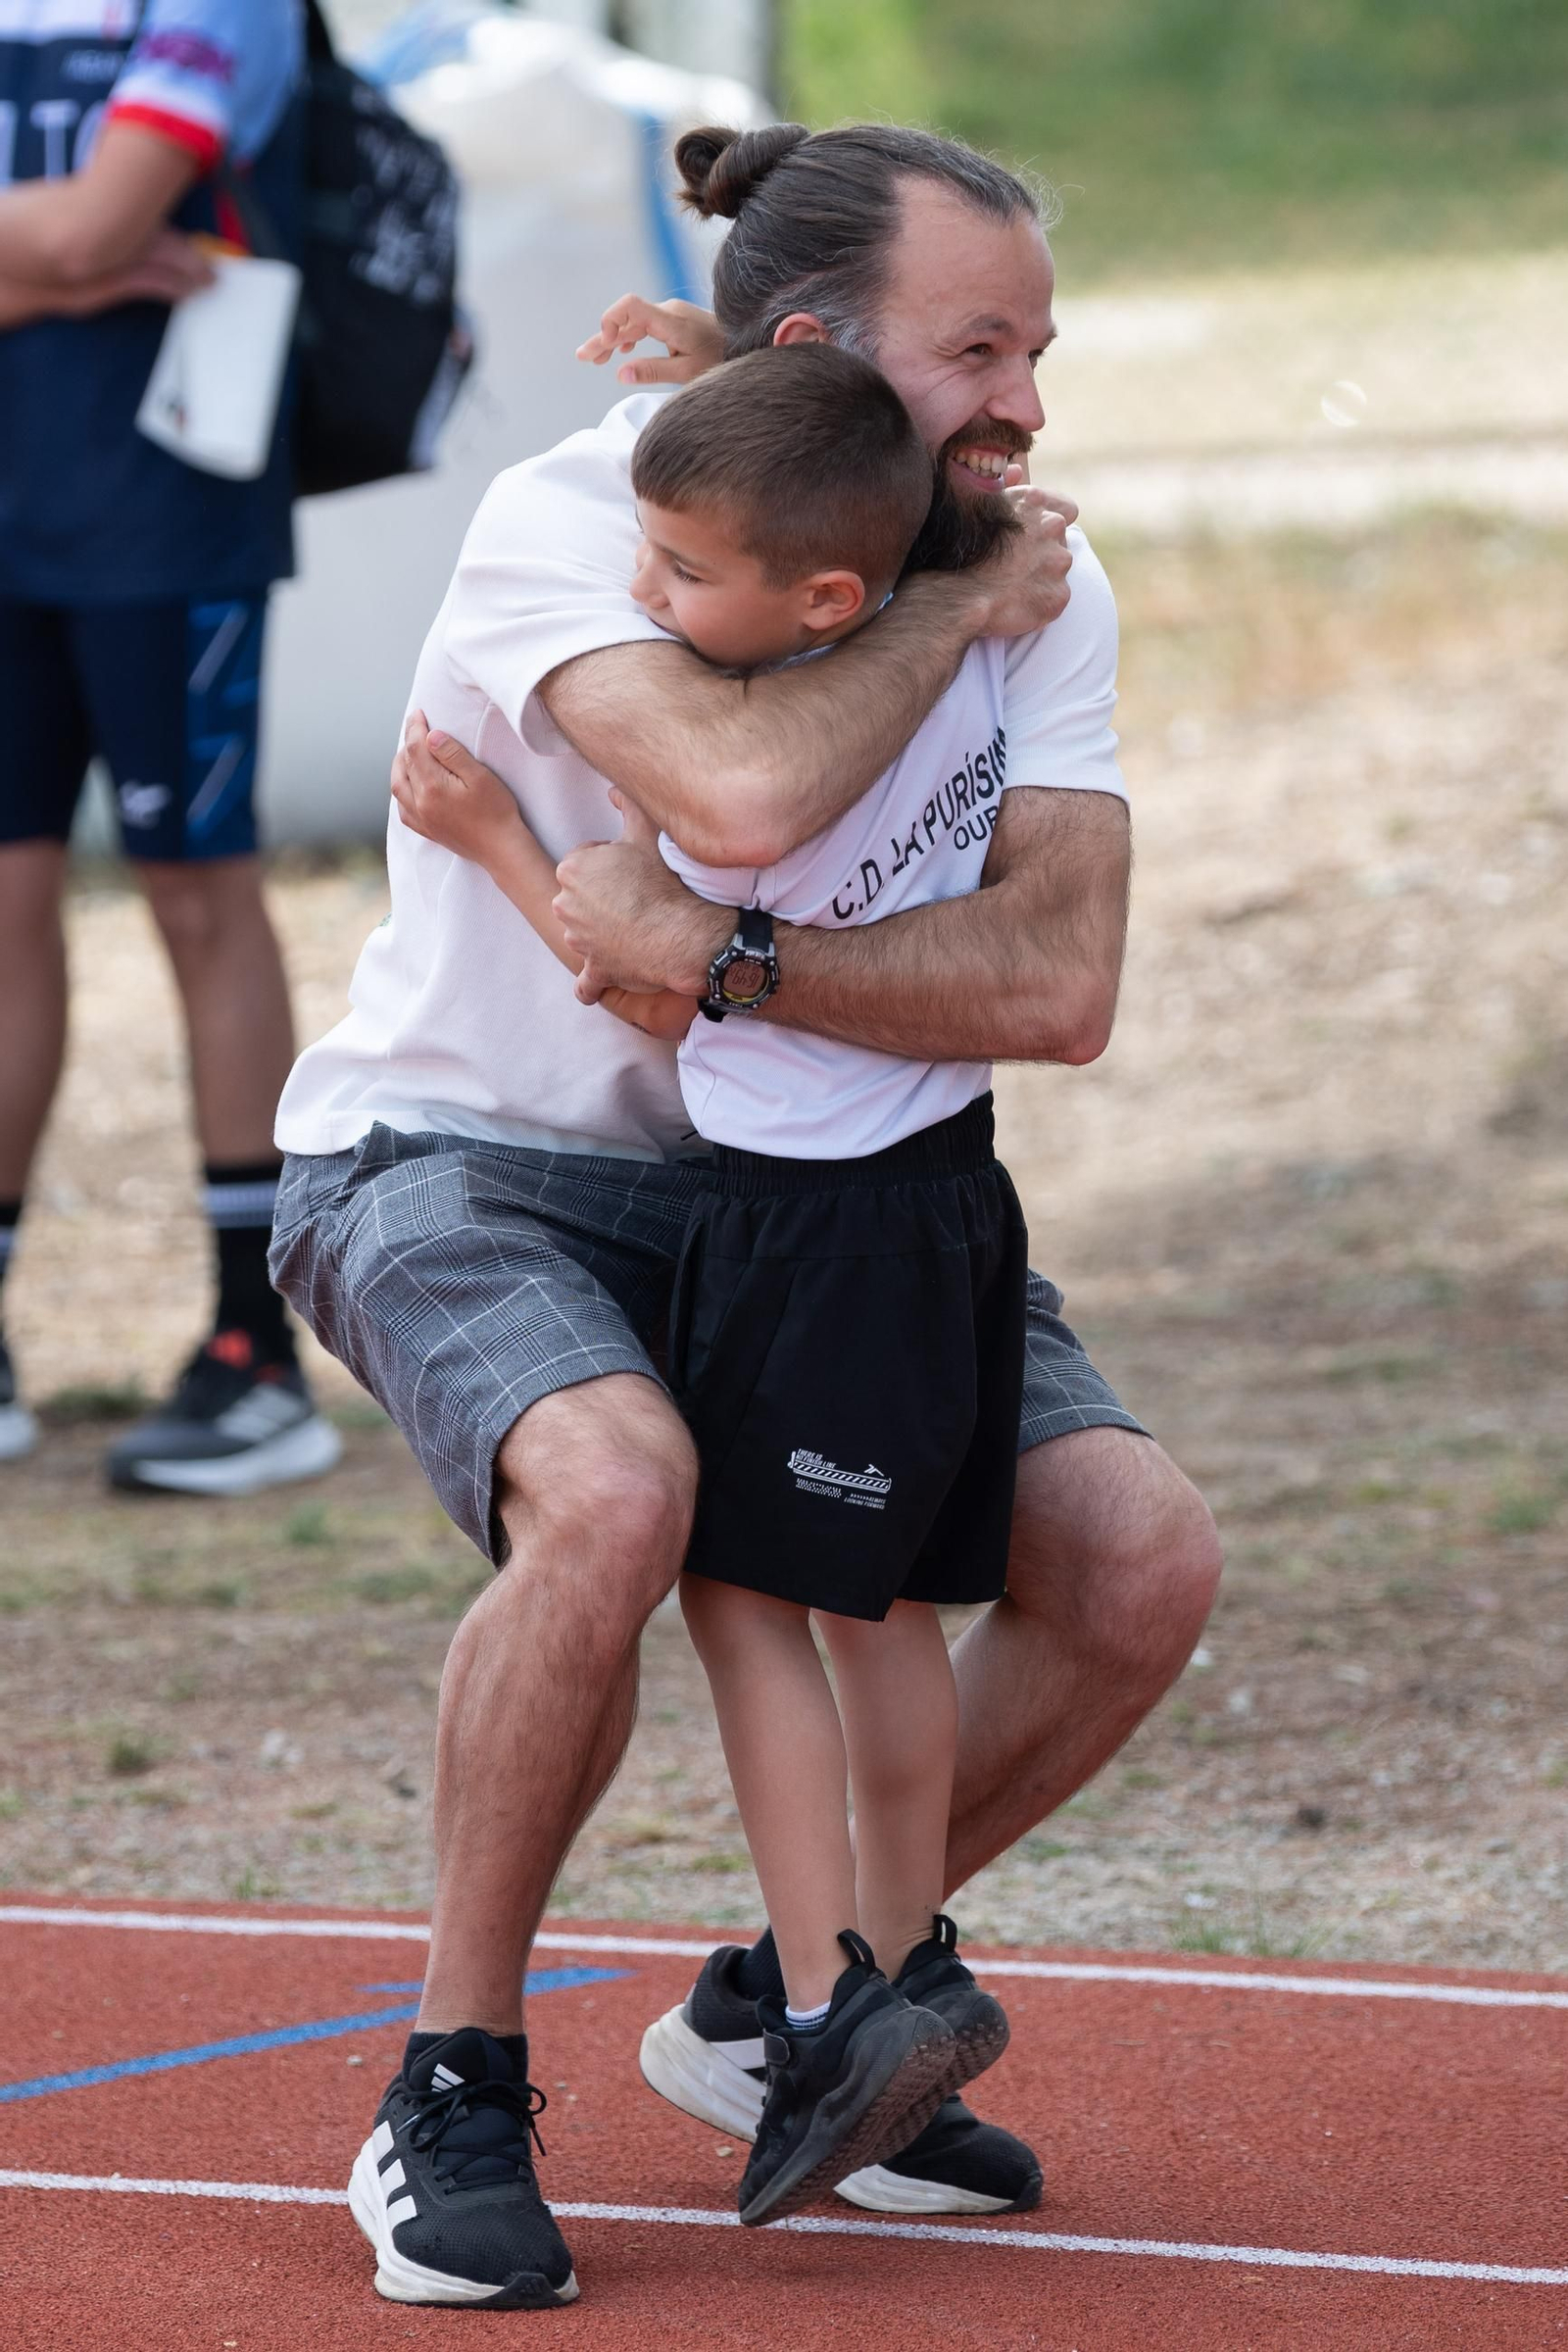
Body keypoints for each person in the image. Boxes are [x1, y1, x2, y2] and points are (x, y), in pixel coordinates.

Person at [271, 121, 1222, 2311]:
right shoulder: (581, 519)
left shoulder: (1031, 574)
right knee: (618, 1494)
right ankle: (451, 2081)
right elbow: (740, 786)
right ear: (805, 354)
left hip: (826, 1182)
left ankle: (812, 2009)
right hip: (460, 1151)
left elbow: (1058, 983)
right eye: (976, 351)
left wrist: (726, 961)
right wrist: (954, 607)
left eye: (1038, 348)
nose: (1027, 405)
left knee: (1136, 1560)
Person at [393, 340, 1035, 2230]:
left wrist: (490, 833)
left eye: (681, 571)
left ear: (824, 600)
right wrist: (737, 383)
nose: (645, 592)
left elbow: (646, 981)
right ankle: (900, 1959)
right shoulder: (954, 667)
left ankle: (822, 2005)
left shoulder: (758, 762)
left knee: (751, 1604)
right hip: (952, 1195)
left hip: (797, 1214)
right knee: (891, 1609)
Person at [0, 0, 340, 1494]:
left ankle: (254, 1352)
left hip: (167, 516)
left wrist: (66, 259)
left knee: (200, 898)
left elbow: (99, 226)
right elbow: (81, 237)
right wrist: (62, 268)